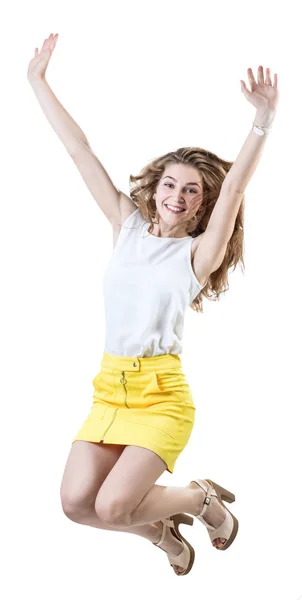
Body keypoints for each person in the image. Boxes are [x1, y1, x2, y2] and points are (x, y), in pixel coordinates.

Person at [27, 33, 279, 576]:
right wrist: (37, 82)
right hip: (109, 386)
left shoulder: (196, 256)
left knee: (113, 505)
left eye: (192, 191)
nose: (177, 196)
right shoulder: (126, 226)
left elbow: (234, 190)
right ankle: (160, 534)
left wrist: (262, 120)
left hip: (162, 396)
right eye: (171, 184)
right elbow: (80, 151)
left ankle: (198, 500)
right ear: (156, 187)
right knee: (75, 505)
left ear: (200, 206)